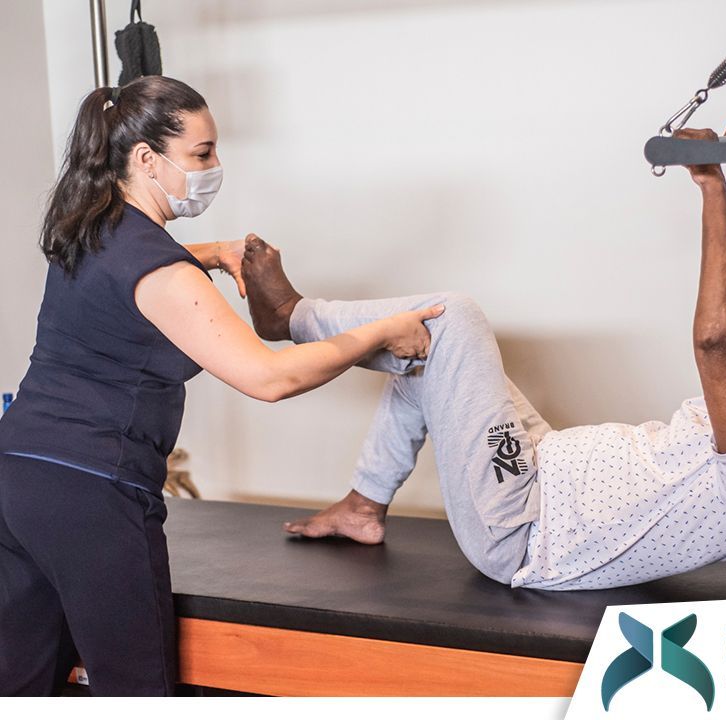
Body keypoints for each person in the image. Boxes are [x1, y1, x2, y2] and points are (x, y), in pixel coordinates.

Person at [241, 121, 726, 591]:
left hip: (520, 528)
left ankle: (289, 317)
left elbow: (717, 340)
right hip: (533, 469)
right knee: (430, 353)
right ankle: (363, 506)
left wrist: (711, 186)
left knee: (451, 318)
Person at [0, 75, 441, 696]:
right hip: (92, 493)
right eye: (202, 154)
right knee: (136, 692)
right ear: (146, 158)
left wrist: (211, 252)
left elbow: (135, 266)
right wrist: (381, 331)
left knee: (20, 685)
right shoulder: (162, 272)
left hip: (17, 477)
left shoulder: (86, 229)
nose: (214, 168)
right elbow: (270, 377)